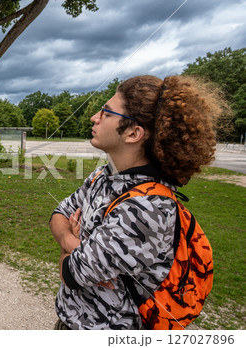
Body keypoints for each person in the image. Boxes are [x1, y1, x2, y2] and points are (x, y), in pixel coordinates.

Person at [50, 75, 225, 330]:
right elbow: (59, 213)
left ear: (133, 133)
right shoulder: (104, 175)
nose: (94, 118)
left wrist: (68, 253)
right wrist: (71, 242)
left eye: (106, 113)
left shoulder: (147, 208)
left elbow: (72, 273)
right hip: (71, 320)